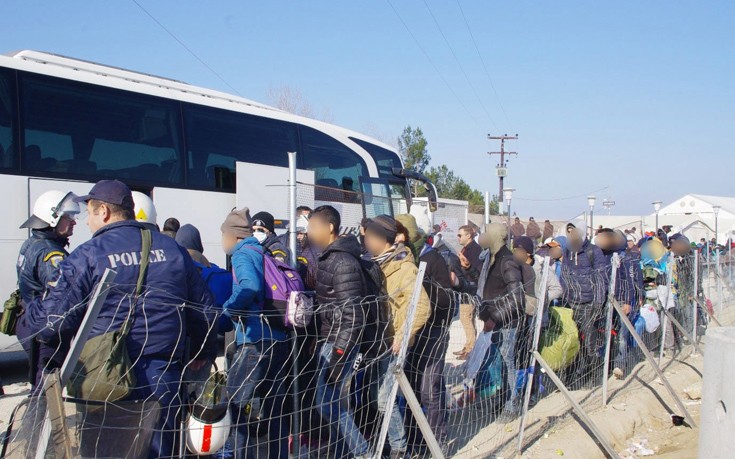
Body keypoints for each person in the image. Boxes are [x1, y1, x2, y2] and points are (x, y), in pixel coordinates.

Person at [24, 180, 216, 457]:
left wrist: (29, 311)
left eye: (89, 213)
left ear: (103, 211)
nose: (87, 222)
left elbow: (51, 323)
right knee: (161, 450)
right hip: (164, 375)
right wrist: (203, 350)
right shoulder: (172, 249)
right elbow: (206, 310)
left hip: (106, 378)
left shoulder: (88, 255)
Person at [220, 207, 290, 458]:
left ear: (234, 236)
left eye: (223, 235)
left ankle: (237, 455)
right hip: (278, 337)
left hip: (254, 341)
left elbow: (250, 286)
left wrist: (228, 309)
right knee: (274, 406)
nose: (222, 241)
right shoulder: (262, 252)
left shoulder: (241, 253)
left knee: (236, 403)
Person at [363, 215, 431, 458]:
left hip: (394, 344)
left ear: (384, 239)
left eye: (370, 236)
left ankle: (399, 448)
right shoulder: (378, 263)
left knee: (384, 399)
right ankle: (392, 443)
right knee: (379, 396)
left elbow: (421, 306)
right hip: (380, 341)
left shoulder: (405, 268)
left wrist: (402, 336)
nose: (366, 240)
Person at [309, 205, 372, 459]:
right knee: (331, 402)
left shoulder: (343, 261)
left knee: (326, 402)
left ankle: (362, 452)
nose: (309, 232)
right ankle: (341, 452)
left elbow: (353, 316)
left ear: (330, 227)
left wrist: (339, 352)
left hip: (340, 342)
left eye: (313, 226)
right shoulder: (329, 257)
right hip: (329, 338)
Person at [396, 214, 452, 454]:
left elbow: (445, 300)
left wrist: (422, 295)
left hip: (434, 331)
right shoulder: (402, 259)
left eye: (397, 233)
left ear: (406, 235)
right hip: (412, 334)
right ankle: (414, 440)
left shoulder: (432, 258)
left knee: (430, 389)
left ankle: (438, 442)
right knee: (410, 390)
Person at [14, 190, 80, 388]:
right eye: (69, 217)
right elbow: (62, 295)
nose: (74, 222)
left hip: (28, 319)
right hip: (42, 326)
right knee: (45, 388)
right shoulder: (50, 253)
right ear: (53, 219)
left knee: (41, 383)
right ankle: (33, 420)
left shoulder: (32, 242)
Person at [472, 223, 525, 418]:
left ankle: (512, 404)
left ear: (495, 236)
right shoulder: (489, 258)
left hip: (505, 323)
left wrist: (494, 317)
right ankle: (502, 400)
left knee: (506, 362)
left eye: (486, 232)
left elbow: (516, 299)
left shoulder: (507, 261)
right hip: (492, 321)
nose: (482, 236)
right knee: (496, 364)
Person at [560, 225, 609, 382]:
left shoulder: (593, 251)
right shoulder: (567, 251)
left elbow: (601, 278)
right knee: (573, 342)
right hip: (572, 303)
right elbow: (564, 275)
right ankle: (575, 376)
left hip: (589, 303)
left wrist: (598, 303)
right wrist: (566, 297)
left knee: (589, 342)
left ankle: (596, 376)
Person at [596, 230, 644, 378]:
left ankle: (620, 364)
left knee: (622, 335)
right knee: (606, 334)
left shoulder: (625, 259)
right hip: (605, 300)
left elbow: (630, 282)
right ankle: (605, 365)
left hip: (621, 300)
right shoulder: (600, 257)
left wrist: (628, 301)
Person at [456, 225, 482, 359]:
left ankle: (470, 348)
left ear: (468, 235)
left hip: (470, 288)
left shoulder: (475, 250)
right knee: (468, 318)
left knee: (465, 317)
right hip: (465, 287)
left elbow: (476, 271)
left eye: (460, 235)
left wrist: (465, 268)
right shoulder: (467, 248)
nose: (458, 238)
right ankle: (469, 345)